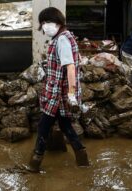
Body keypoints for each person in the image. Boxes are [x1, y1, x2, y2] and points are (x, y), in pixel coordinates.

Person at [27, 7, 89, 172]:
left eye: (47, 22)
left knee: (43, 126)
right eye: (43, 23)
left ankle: (35, 162)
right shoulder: (63, 37)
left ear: (57, 22)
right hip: (58, 91)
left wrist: (71, 93)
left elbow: (70, 67)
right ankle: (82, 158)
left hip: (58, 93)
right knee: (65, 125)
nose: (44, 26)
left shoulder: (62, 40)